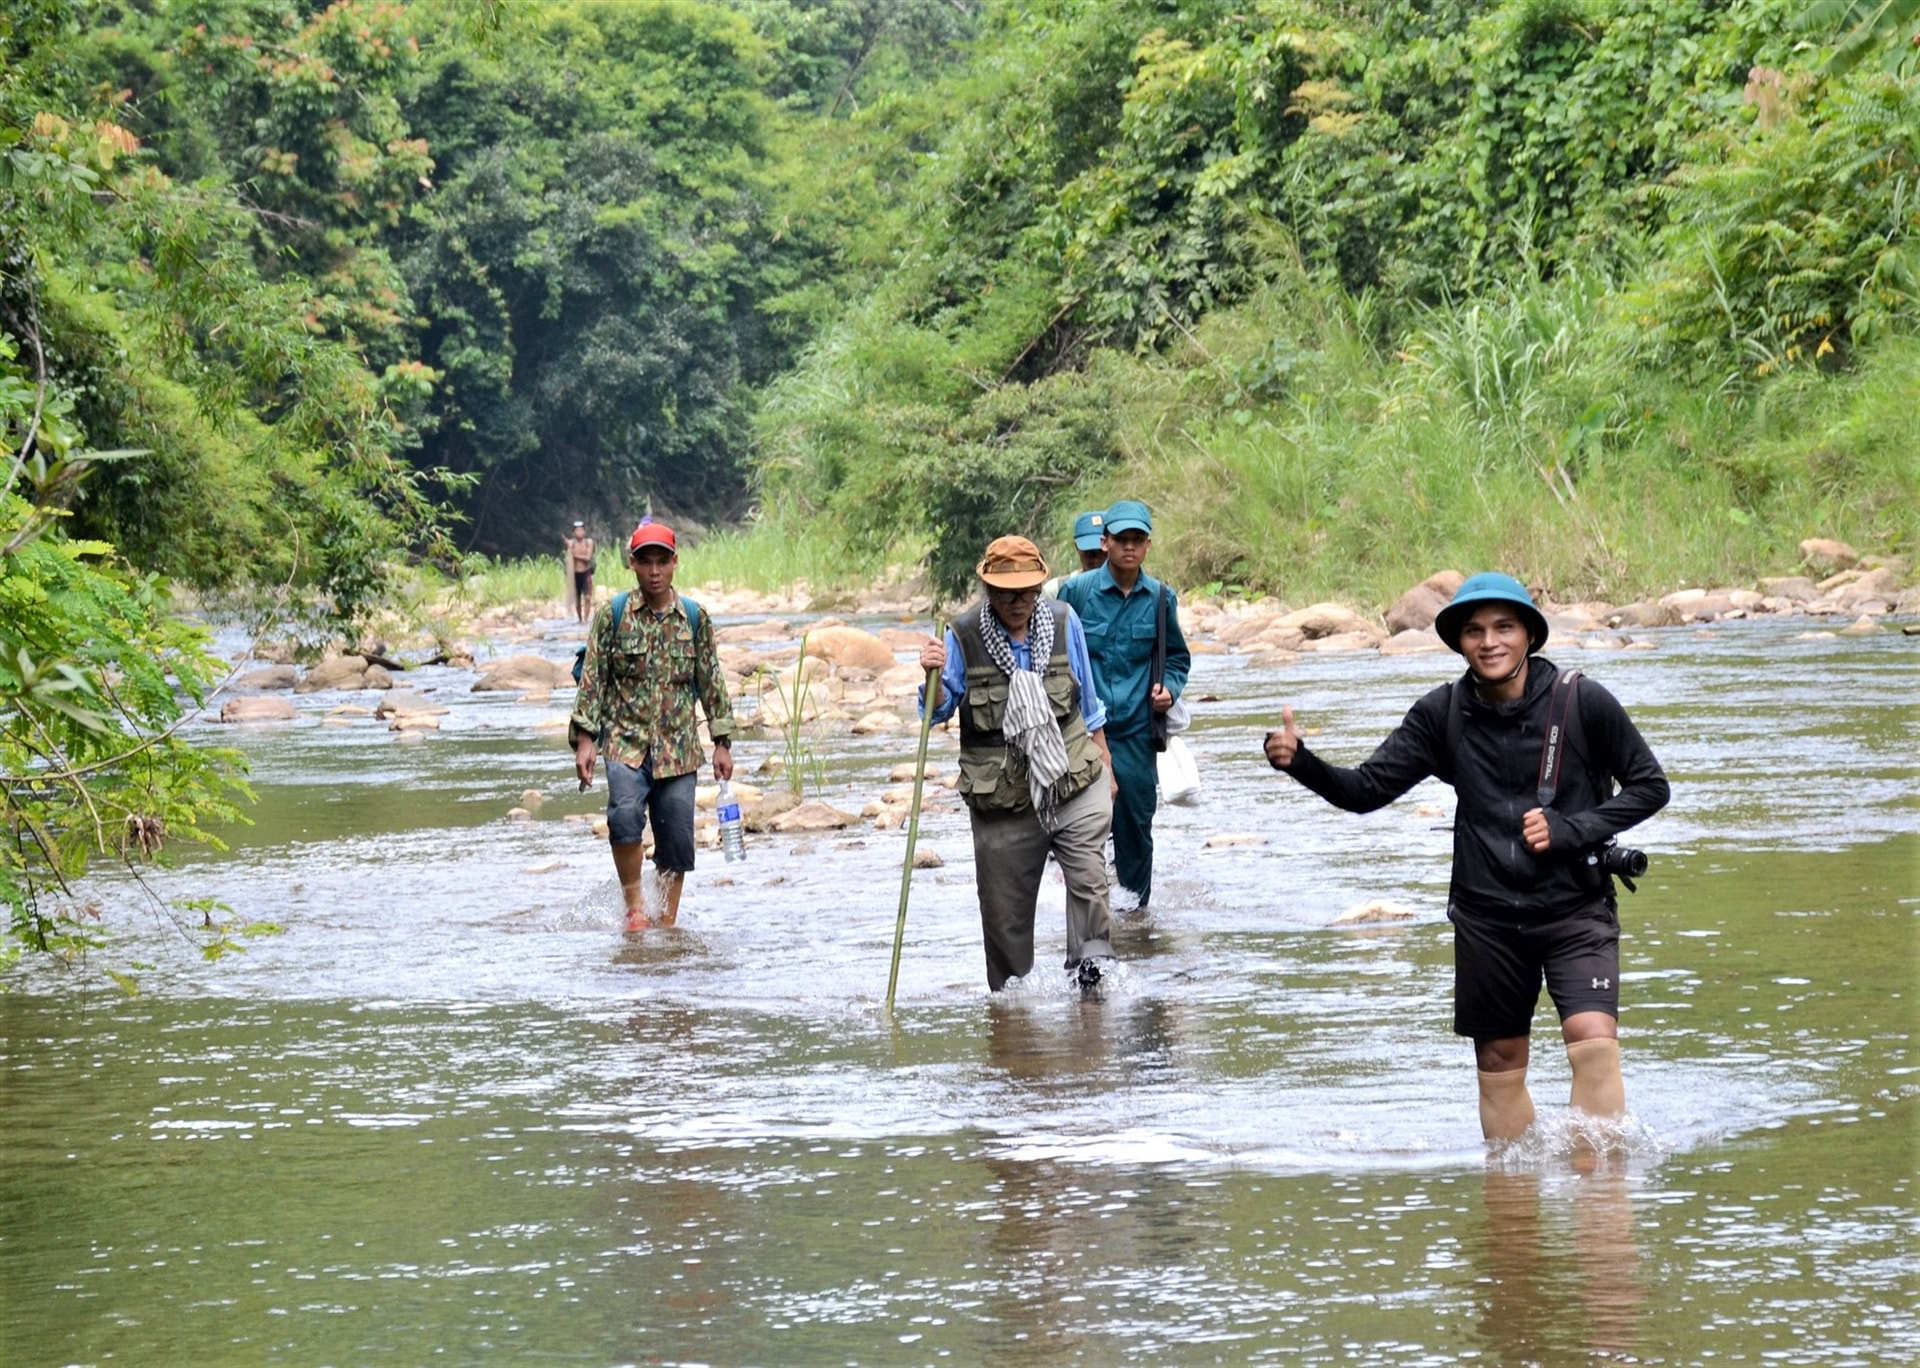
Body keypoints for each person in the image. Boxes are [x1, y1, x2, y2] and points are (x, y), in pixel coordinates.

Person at [1261, 573, 1670, 1143]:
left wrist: (1572, 829)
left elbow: (1651, 787)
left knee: (1592, 1041)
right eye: (1474, 631)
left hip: (1576, 907)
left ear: (1529, 633)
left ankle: (1599, 1196)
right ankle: (1510, 1207)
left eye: (1504, 626)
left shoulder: (1582, 701)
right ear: (1458, 642)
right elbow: (1364, 792)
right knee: (1500, 1065)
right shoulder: (1442, 714)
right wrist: (1300, 762)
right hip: (1487, 917)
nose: (1490, 641)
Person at [918, 535, 1118, 991]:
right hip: (1002, 798)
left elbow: (1088, 701)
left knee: (1090, 882)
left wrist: (1106, 763)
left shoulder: (1065, 622)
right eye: (1007, 593)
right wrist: (932, 676)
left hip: (1073, 779)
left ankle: (1093, 986)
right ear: (989, 590)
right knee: (1004, 921)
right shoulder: (962, 636)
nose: (1018, 601)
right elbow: (937, 712)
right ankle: (1015, 1022)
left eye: (1027, 591)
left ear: (1040, 588)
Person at [571, 521, 735, 931]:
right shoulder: (612, 616)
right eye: (647, 562)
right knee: (624, 818)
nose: (655, 571)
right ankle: (635, 909)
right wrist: (585, 740)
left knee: (677, 839)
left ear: (675, 562)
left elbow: (710, 680)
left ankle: (668, 919)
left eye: (663, 561)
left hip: (678, 749)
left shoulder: (694, 619)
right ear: (633, 564)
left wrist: (722, 742)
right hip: (626, 743)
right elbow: (593, 679)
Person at [1055, 499, 1189, 911]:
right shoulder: (1076, 593)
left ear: (1147, 545)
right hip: (1082, 734)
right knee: (1079, 826)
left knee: (1135, 828)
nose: (1129, 547)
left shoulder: (1160, 597)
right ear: (1105, 542)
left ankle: (1134, 916)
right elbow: (1055, 654)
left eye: (1137, 540)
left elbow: (1177, 657)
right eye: (1121, 539)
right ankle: (1088, 914)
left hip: (1134, 735)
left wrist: (1168, 688)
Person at [1041, 511, 1108, 597]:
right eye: (1089, 552)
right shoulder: (1056, 589)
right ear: (1077, 547)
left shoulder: (1126, 589)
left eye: (1101, 551)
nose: (1096, 558)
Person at [564, 520, 596, 623]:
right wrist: (570, 549)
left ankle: (586, 619)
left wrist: (575, 555)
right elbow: (569, 559)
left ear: (585, 532)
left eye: (581, 530)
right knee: (577, 599)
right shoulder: (571, 544)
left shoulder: (588, 542)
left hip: (586, 573)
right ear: (574, 532)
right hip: (575, 575)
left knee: (587, 597)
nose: (579, 532)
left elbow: (588, 558)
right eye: (577, 530)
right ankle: (580, 619)